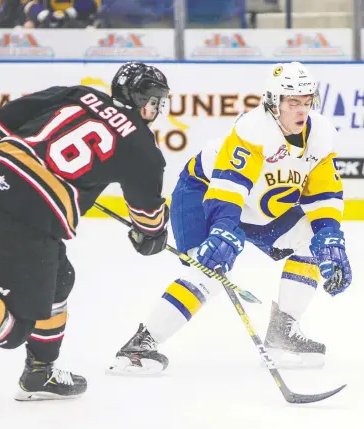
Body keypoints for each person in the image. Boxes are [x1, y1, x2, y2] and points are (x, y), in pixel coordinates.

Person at [0, 62, 171, 400]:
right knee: (14, 330)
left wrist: (23, 171)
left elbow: (1, 122)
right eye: (155, 100)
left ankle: (40, 373)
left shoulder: (82, 95)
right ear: (143, 101)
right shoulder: (143, 149)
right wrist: (150, 237)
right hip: (28, 220)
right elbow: (149, 221)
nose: (157, 108)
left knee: (60, 278)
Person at [109, 62, 353, 375]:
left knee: (312, 241)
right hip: (203, 195)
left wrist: (330, 236)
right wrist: (224, 230)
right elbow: (229, 188)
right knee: (209, 269)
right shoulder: (253, 130)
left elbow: (323, 197)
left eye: (306, 102)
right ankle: (139, 346)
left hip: (259, 208)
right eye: (293, 102)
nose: (301, 110)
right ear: (272, 102)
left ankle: (282, 334)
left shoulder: (318, 136)